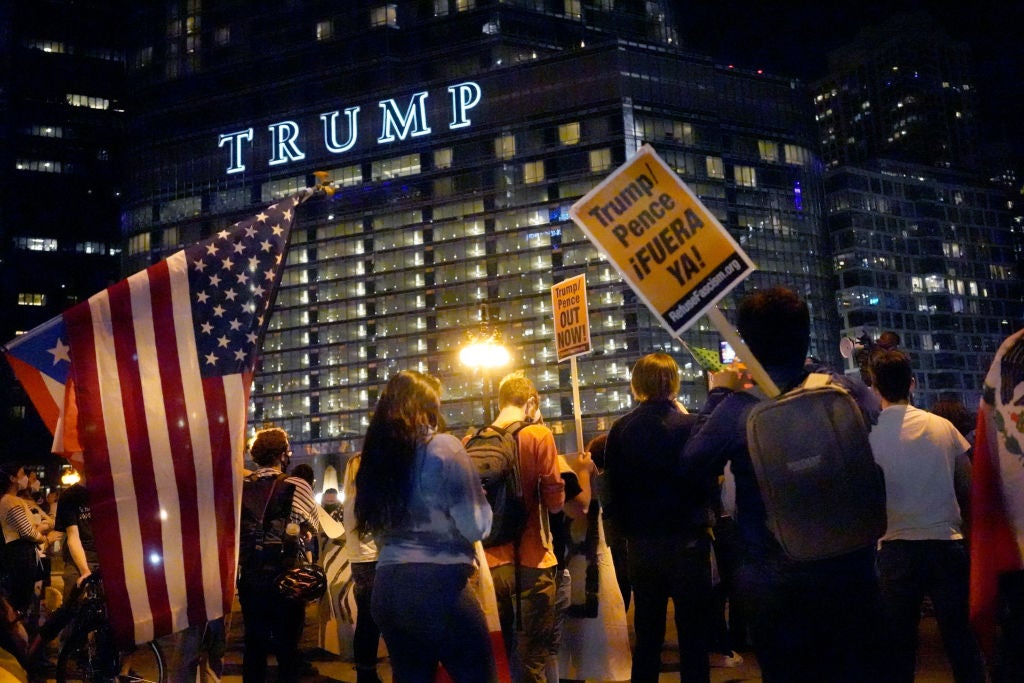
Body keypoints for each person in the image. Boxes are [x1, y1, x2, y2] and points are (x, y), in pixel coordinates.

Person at [681, 286, 883, 682]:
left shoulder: (739, 407)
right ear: (805, 335)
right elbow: (873, 415)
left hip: (775, 578)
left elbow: (692, 463)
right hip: (851, 568)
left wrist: (719, 391)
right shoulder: (843, 389)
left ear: (749, 346)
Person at [354, 370, 496, 682]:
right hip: (438, 586)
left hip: (387, 587)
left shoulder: (377, 458)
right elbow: (476, 526)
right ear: (427, 407)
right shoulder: (444, 447)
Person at [868, 350, 986, 683]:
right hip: (946, 544)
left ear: (875, 388)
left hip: (894, 548)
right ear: (913, 383)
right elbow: (968, 485)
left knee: (898, 646)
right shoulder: (942, 427)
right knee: (961, 639)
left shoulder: (869, 435)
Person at [604, 352, 716, 683]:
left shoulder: (621, 429)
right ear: (673, 382)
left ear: (637, 383)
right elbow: (708, 481)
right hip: (689, 541)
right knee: (694, 635)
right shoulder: (693, 426)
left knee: (648, 634)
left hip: (642, 544)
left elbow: (611, 489)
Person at [479, 371, 565, 683]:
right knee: (533, 656)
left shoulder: (472, 440)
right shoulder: (538, 435)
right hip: (533, 559)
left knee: (502, 653)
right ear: (530, 402)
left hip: (490, 564)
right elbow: (555, 503)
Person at [237, 426, 319, 683]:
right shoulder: (297, 484)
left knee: (254, 644)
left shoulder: (242, 486)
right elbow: (314, 525)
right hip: (287, 575)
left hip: (250, 576)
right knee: (288, 647)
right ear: (283, 455)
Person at [555, 439, 631, 682]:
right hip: (590, 567)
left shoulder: (558, 471)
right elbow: (583, 507)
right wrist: (585, 473)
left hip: (569, 562)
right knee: (590, 635)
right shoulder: (590, 479)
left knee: (569, 635)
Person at [341, 454, 383, 683]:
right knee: (375, 622)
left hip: (358, 564)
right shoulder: (368, 501)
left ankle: (365, 672)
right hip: (374, 562)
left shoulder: (348, 501)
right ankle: (368, 674)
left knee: (366, 622)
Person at [0, 464, 49, 621]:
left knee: (24, 595)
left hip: (22, 551)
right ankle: (17, 633)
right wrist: (43, 538)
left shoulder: (12, 500)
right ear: (12, 478)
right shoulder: (10, 500)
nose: (25, 478)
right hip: (20, 552)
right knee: (21, 597)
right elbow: (27, 531)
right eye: (22, 474)